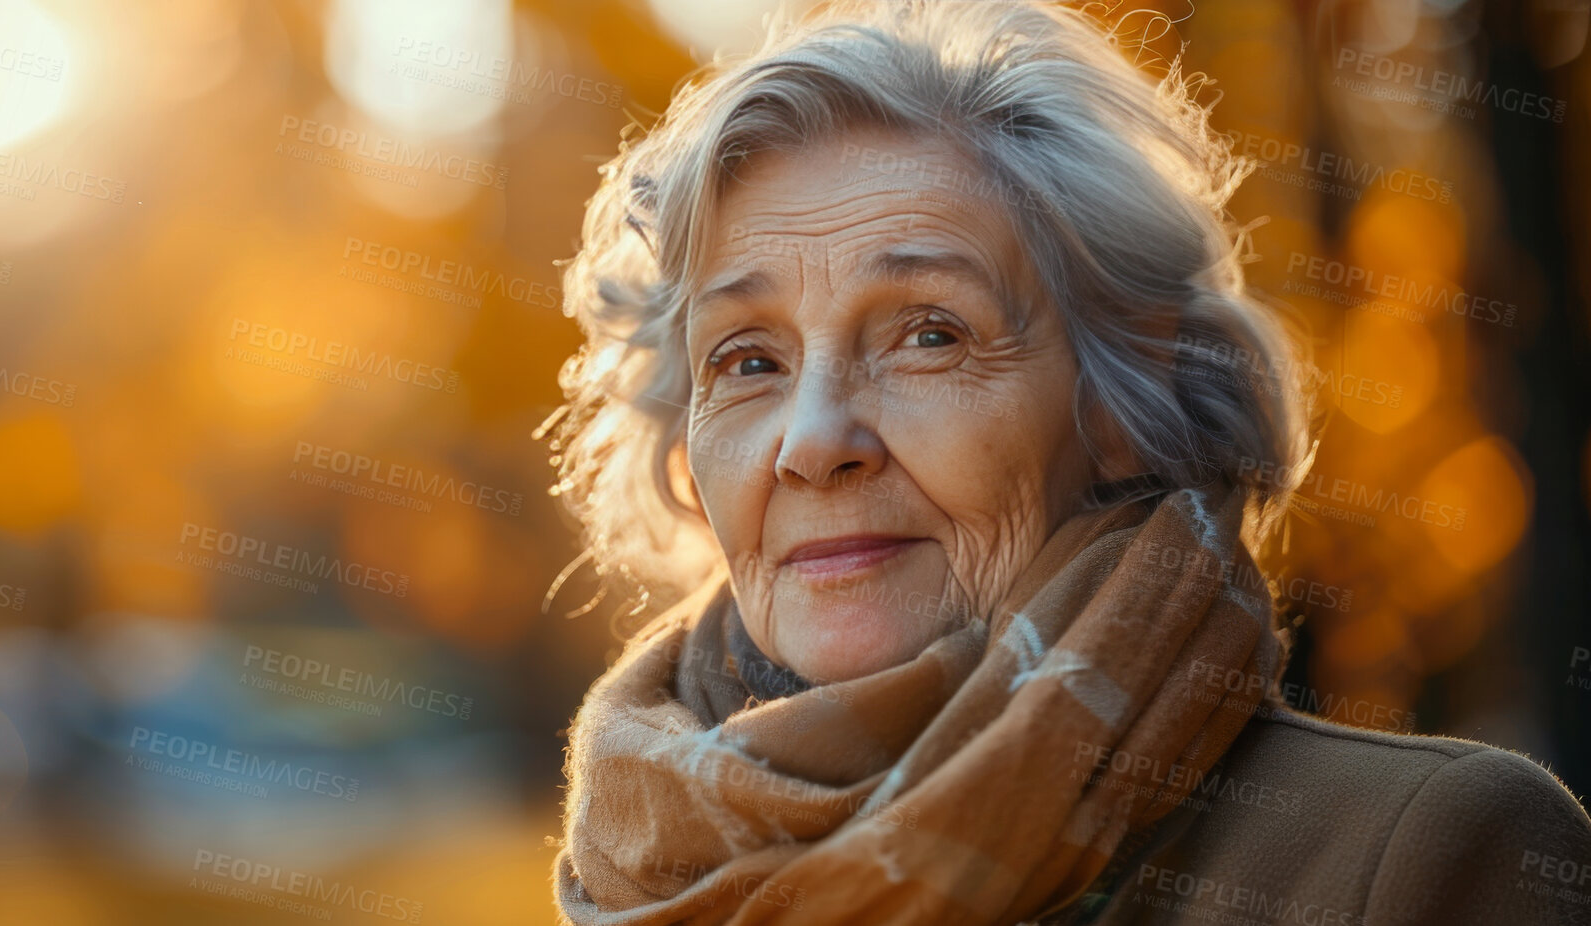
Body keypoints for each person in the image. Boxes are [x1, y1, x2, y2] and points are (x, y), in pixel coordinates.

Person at [536, 2, 1591, 923]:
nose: (813, 441)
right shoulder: (637, 876)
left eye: (928, 334)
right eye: (749, 358)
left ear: (1120, 402)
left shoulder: (1424, 858)